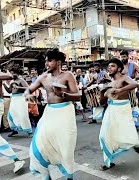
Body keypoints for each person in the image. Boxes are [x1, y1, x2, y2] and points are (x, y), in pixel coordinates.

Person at [26, 49, 81, 180]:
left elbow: (78, 96)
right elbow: (29, 88)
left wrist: (64, 94)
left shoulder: (68, 76)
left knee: (65, 146)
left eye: (49, 60)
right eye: (46, 60)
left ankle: (69, 177)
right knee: (40, 143)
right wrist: (28, 95)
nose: (46, 63)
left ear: (58, 62)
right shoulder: (43, 77)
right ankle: (46, 176)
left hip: (65, 112)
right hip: (49, 112)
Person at [98, 58, 139, 171]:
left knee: (125, 132)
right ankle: (108, 161)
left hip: (123, 108)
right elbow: (101, 102)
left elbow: (134, 84)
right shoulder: (108, 83)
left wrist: (120, 90)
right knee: (104, 136)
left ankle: (134, 144)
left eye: (113, 66)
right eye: (108, 66)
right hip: (111, 109)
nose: (109, 68)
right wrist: (102, 91)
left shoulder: (124, 78)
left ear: (119, 68)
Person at [3, 67, 32, 137]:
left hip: (21, 98)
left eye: (13, 73)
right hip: (13, 99)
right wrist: (4, 84)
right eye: (11, 73)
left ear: (17, 73)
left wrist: (19, 88)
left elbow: (28, 88)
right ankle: (14, 130)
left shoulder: (21, 80)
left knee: (22, 115)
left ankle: (29, 132)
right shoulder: (12, 81)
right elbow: (9, 91)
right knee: (11, 114)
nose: (12, 74)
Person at [120, 50, 139, 129]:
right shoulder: (119, 67)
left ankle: (134, 120)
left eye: (124, 56)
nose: (122, 58)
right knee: (124, 105)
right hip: (122, 88)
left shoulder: (133, 65)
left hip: (132, 87)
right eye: (121, 57)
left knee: (133, 103)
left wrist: (137, 77)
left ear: (128, 56)